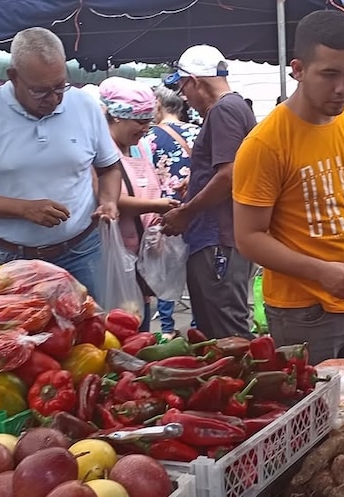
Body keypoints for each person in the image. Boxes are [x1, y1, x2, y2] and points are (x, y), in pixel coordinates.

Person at [232, 10, 344, 375]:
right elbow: (249, 237)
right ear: (298, 70)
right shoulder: (266, 143)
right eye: (330, 74)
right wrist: (319, 271)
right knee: (312, 410)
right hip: (303, 313)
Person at [0, 28, 122, 298]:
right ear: (13, 76)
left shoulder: (85, 105)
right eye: (40, 91)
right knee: (11, 327)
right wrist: (24, 209)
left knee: (93, 323)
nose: (53, 99)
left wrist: (109, 201)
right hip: (10, 260)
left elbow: (109, 168)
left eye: (60, 86)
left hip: (82, 253)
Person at [161, 45, 257, 339]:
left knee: (227, 334)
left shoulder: (223, 111)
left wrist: (186, 213)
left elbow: (229, 175)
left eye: (182, 88)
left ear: (194, 82)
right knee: (214, 333)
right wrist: (194, 183)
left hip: (218, 238)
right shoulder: (234, 107)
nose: (184, 98)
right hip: (223, 235)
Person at [100, 77, 179, 331]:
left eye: (149, 121)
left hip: (142, 255)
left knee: (140, 323)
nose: (146, 128)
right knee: (117, 325)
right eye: (140, 121)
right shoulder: (100, 149)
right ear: (117, 117)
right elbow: (110, 200)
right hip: (113, 256)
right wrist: (157, 205)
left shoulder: (141, 147)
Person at [147, 86, 201, 332]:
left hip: (165, 211)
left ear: (158, 104)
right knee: (197, 271)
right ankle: (197, 326)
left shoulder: (149, 138)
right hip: (195, 209)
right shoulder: (197, 132)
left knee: (165, 270)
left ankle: (167, 328)